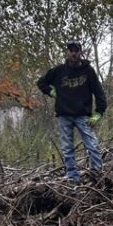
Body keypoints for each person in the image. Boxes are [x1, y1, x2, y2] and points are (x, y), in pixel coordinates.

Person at [37, 39, 107, 181]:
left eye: (76, 50)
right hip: (64, 115)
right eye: (71, 50)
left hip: (83, 115)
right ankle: (73, 177)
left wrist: (99, 113)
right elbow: (41, 82)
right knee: (67, 148)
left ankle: (97, 175)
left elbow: (99, 92)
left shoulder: (88, 71)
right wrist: (51, 92)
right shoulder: (58, 71)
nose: (74, 53)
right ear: (67, 52)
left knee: (92, 145)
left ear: (81, 52)